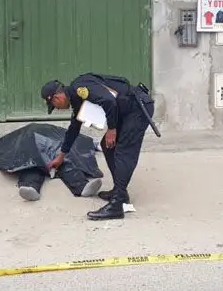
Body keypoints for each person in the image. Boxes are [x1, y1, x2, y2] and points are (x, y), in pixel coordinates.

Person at [41, 73, 156, 220]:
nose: (56, 109)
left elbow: (108, 101)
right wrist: (61, 156)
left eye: (54, 106)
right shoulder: (77, 100)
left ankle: (116, 205)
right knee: (108, 147)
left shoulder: (79, 89)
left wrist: (112, 129)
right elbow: (74, 129)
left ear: (57, 97)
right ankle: (120, 193)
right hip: (126, 110)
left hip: (137, 109)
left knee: (123, 152)